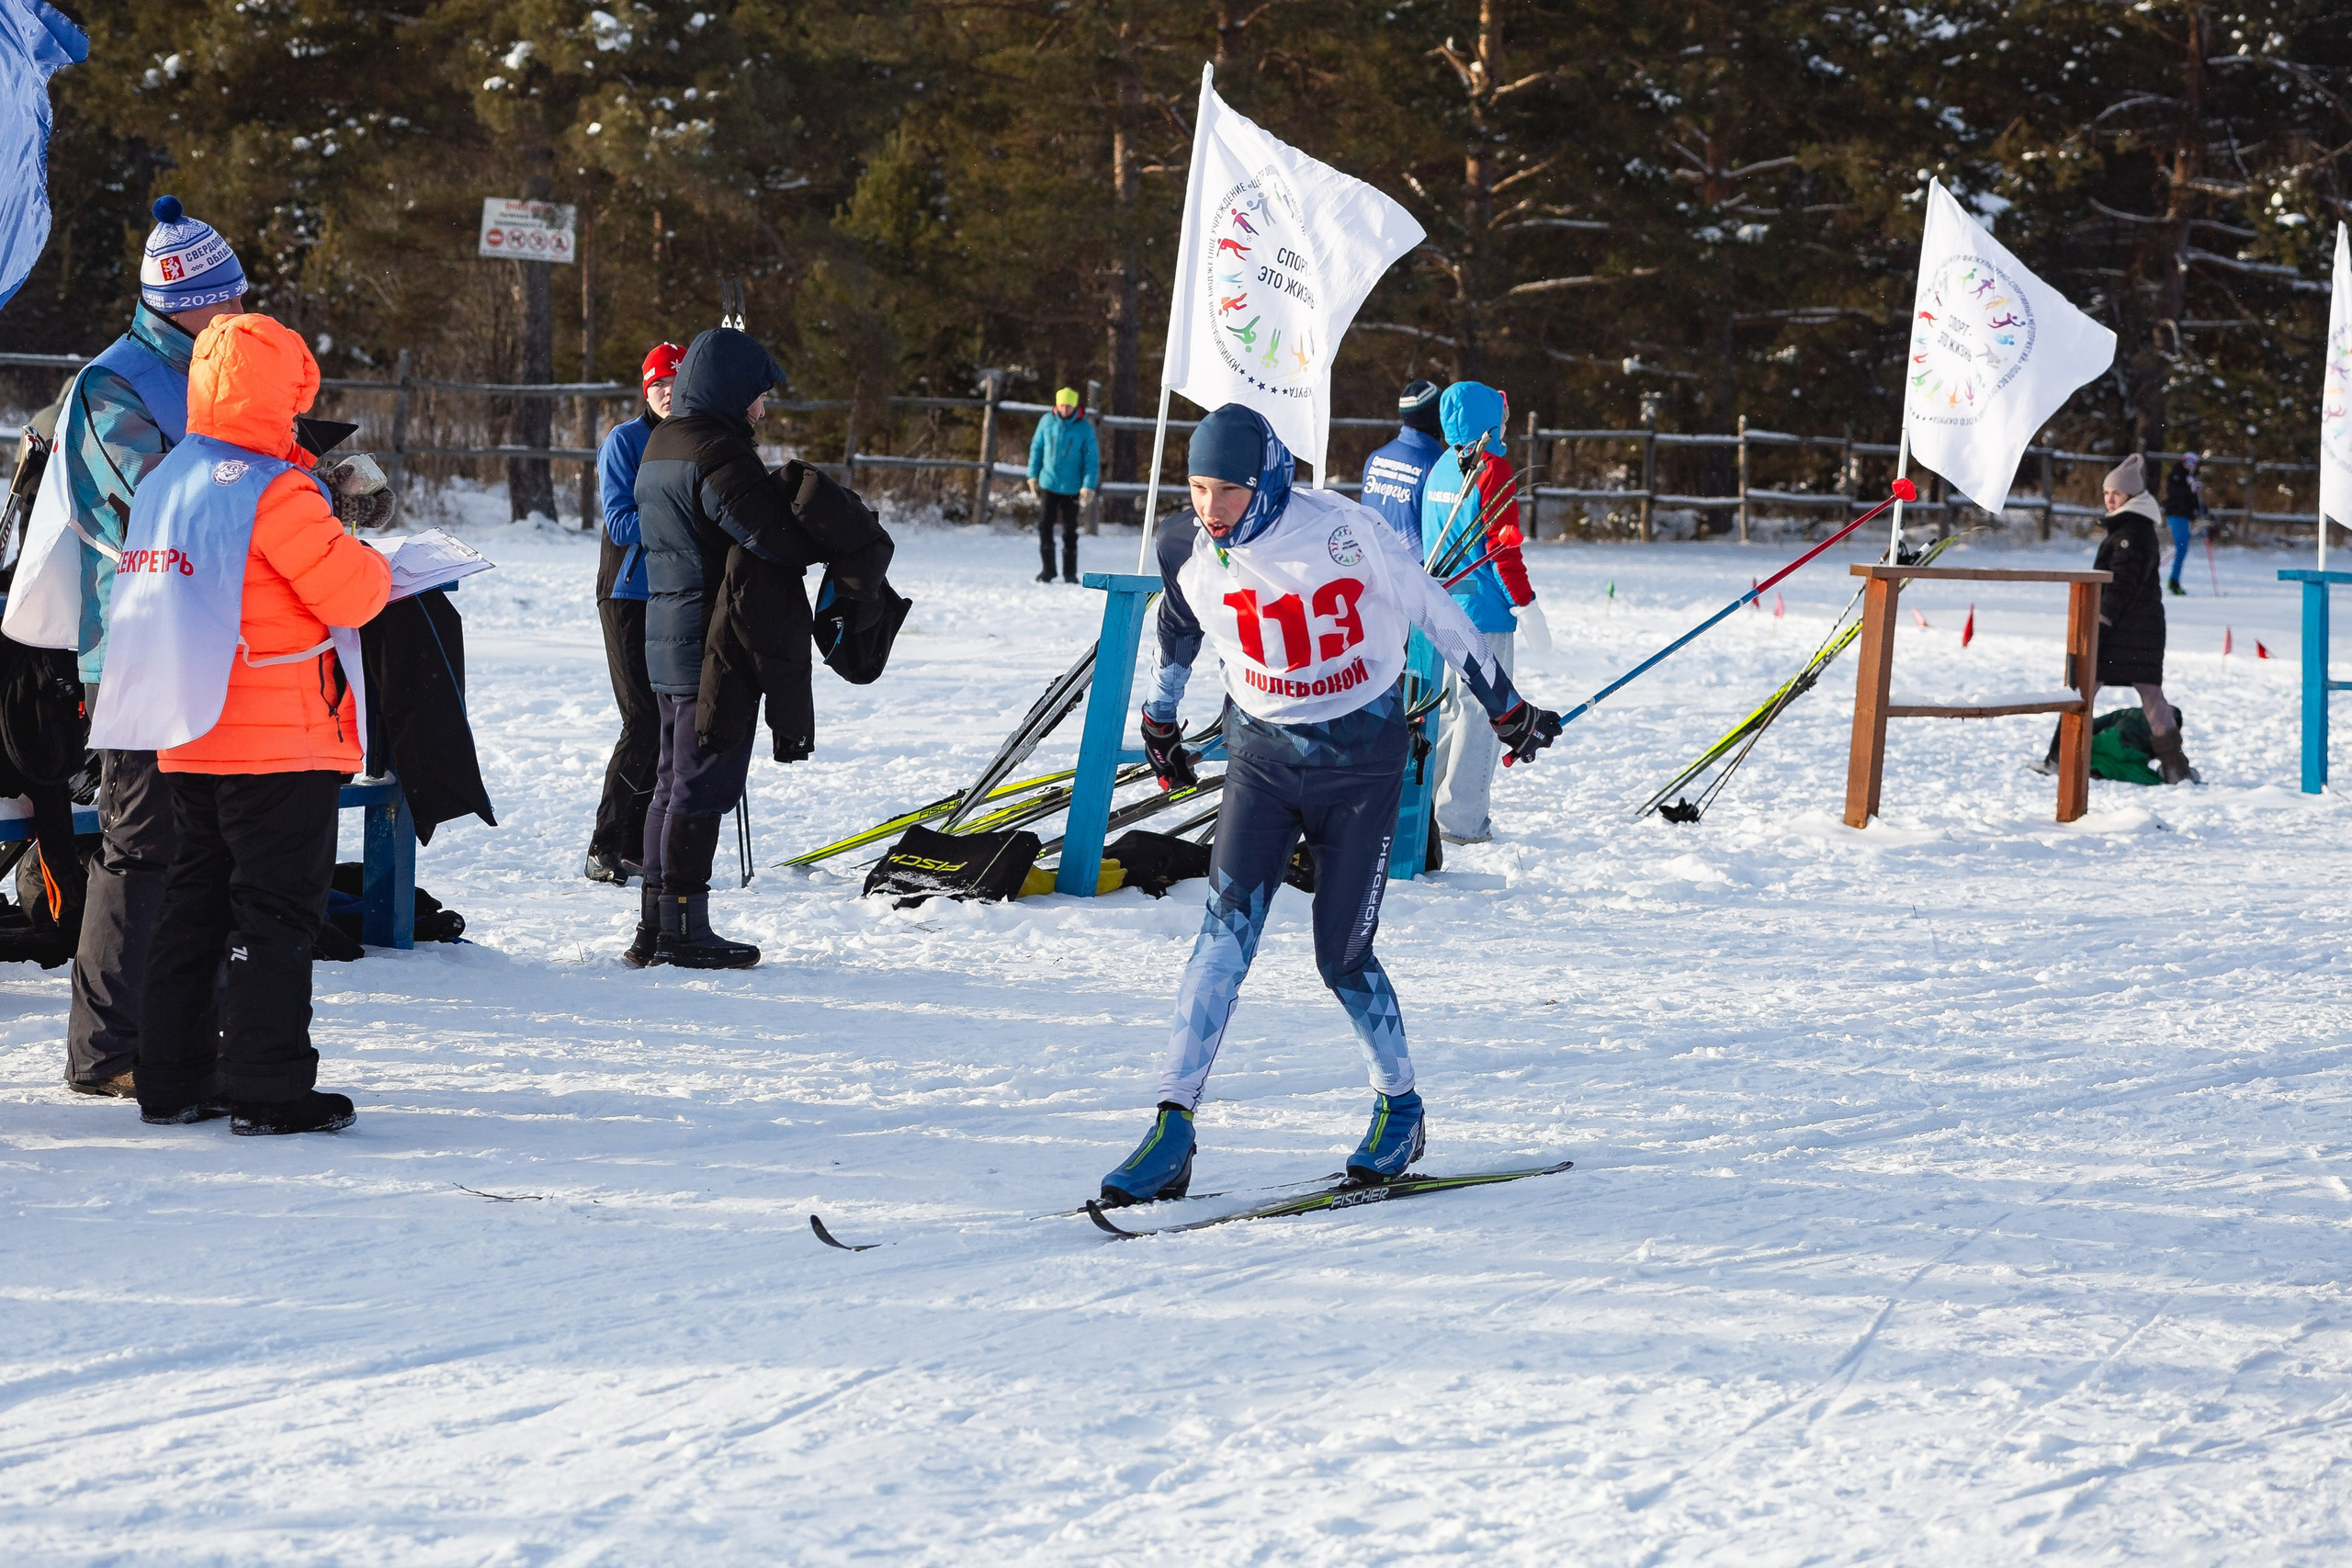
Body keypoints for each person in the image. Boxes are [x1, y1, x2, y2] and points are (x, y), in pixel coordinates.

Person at [1098, 403, 1562, 1206]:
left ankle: (1401, 1109)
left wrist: (1506, 705)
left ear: (1269, 482)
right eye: (1200, 488)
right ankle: (1172, 1125)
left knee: (1340, 957)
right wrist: (1160, 720)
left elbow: (1436, 612)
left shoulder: (1345, 532)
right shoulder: (1189, 544)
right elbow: (1178, 624)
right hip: (1263, 764)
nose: (1213, 510)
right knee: (1220, 943)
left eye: (1230, 492)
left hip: (1359, 767)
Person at [99, 313, 393, 1134]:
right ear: (280, 394)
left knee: (192, 904)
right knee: (274, 913)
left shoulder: (166, 479)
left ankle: (171, 1075)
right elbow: (354, 594)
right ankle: (267, 1085)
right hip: (280, 734)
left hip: (190, 726)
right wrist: (361, 543)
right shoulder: (278, 491)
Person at [54, 196, 247, 1100]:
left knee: (205, 848)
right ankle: (106, 1051)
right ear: (186, 301)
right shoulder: (113, 383)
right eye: (229, 299)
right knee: (142, 846)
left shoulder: (220, 373)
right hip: (135, 645)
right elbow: (145, 507)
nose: (241, 312)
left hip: (219, 640)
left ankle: (181, 1033)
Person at [632, 327, 796, 968]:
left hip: (672, 637)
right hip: (710, 645)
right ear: (731, 391)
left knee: (671, 785)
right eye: (757, 397)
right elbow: (771, 537)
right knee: (699, 787)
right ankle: (683, 928)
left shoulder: (664, 442)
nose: (762, 410)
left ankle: (656, 922)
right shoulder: (713, 451)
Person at [1418, 381, 1542, 845]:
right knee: (1481, 714)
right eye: (1503, 416)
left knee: (1449, 710)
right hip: (1485, 612)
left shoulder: (1442, 467)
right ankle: (1462, 821)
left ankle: (1428, 805)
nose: (1507, 423)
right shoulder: (1492, 469)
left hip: (1442, 608)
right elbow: (1503, 549)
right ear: (1488, 422)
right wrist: (1526, 603)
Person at [584, 341, 684, 885]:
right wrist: (683, 516)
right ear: (646, 390)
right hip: (628, 594)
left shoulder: (696, 441)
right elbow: (621, 525)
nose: (667, 395)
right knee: (642, 719)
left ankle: (637, 845)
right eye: (658, 386)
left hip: (679, 597)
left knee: (668, 722)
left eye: (675, 385)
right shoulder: (626, 441)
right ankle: (605, 844)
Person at [2039, 454, 2198, 784]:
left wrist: (2102, 618)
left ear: (2133, 497)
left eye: (2117, 494)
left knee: (2086, 689)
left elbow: (2122, 582)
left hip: (2129, 628)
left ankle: (2059, 758)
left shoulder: (2132, 533)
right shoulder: (2130, 527)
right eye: (2106, 493)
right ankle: (2175, 769)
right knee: (2132, 692)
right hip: (2136, 627)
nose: (2110, 499)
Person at [1358, 378, 1445, 553]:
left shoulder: (1375, 458)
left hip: (1374, 565)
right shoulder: (1437, 465)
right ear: (1437, 415)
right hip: (1416, 573)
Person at [1025, 387, 1099, 583]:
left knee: (1070, 530)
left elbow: (1091, 459)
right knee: (1045, 526)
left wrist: (1088, 485)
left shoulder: (1085, 429)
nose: (1064, 409)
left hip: (1073, 487)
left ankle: (1070, 572)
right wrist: (1032, 475)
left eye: (1068, 405)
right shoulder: (1046, 422)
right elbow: (1036, 448)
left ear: (1074, 406)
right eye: (1061, 405)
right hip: (1048, 483)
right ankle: (1048, 569)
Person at [2161, 451, 2205, 597]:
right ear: (2183, 462)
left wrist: (2203, 509)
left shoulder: (2191, 478)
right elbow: (2176, 494)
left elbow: (2192, 500)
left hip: (2184, 516)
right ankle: (2173, 581)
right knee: (2181, 548)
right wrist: (2189, 487)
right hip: (2176, 515)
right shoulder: (2177, 475)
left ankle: (2174, 579)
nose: (2190, 466)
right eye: (2188, 462)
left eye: (2193, 464)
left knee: (2182, 548)